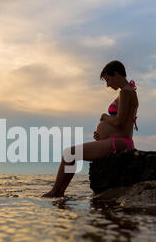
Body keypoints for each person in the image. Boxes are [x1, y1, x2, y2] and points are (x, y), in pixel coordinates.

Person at [42, 60, 139, 197]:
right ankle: (59, 192)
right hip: (116, 140)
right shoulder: (128, 91)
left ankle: (56, 192)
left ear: (116, 74)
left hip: (119, 142)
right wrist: (102, 135)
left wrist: (104, 117)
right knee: (70, 155)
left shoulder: (126, 92)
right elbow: (120, 125)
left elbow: (120, 122)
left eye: (108, 80)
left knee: (69, 154)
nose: (108, 85)